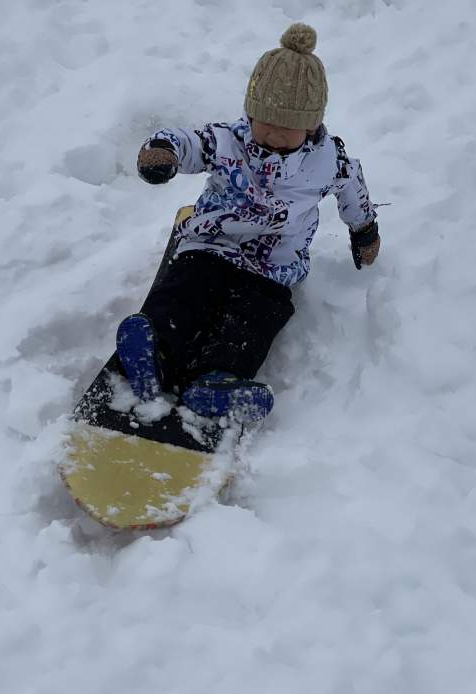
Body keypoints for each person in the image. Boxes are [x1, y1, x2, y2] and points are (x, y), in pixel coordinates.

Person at [117, 22, 381, 422]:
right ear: (250, 112)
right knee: (184, 289)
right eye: (264, 121)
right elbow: (190, 141)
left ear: (311, 126)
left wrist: (364, 230)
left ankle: (217, 379)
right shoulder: (229, 140)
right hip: (213, 243)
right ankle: (154, 352)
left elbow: (353, 189)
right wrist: (163, 150)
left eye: (286, 127)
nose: (273, 134)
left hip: (273, 266)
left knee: (256, 316)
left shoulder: (329, 162)